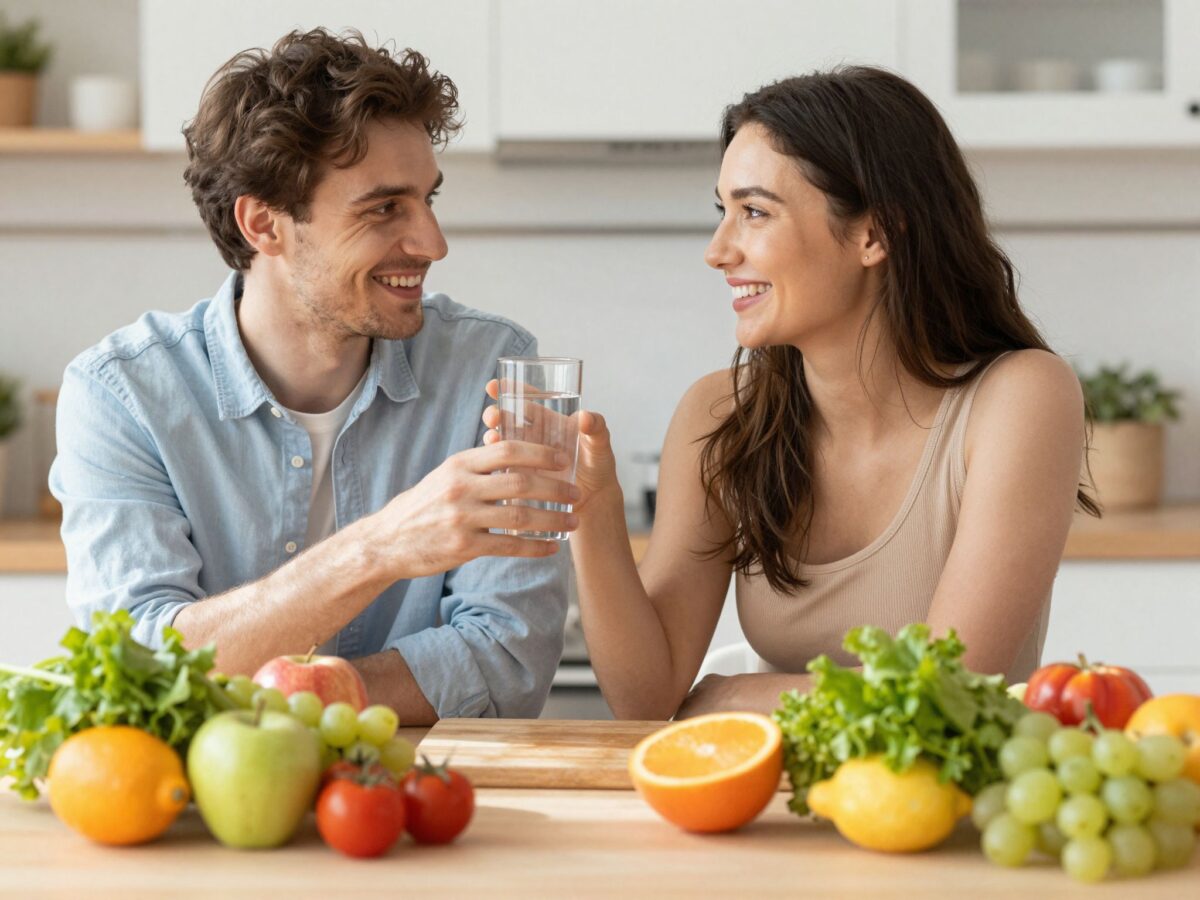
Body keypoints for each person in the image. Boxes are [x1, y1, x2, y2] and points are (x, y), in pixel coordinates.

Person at [486, 66, 1096, 720]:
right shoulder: (719, 414)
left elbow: (947, 693)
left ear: (874, 234)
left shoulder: (1021, 398)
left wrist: (735, 694)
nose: (718, 250)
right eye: (723, 212)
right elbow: (647, 696)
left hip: (945, 816)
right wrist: (595, 510)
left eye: (753, 212)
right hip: (769, 811)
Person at [49, 29, 578, 724]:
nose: (432, 242)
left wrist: (265, 685)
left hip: (419, 809)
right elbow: (141, 666)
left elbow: (507, 663)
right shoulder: (124, 397)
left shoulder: (486, 368)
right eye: (385, 207)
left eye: (428, 199)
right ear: (264, 224)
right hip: (199, 816)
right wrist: (382, 547)